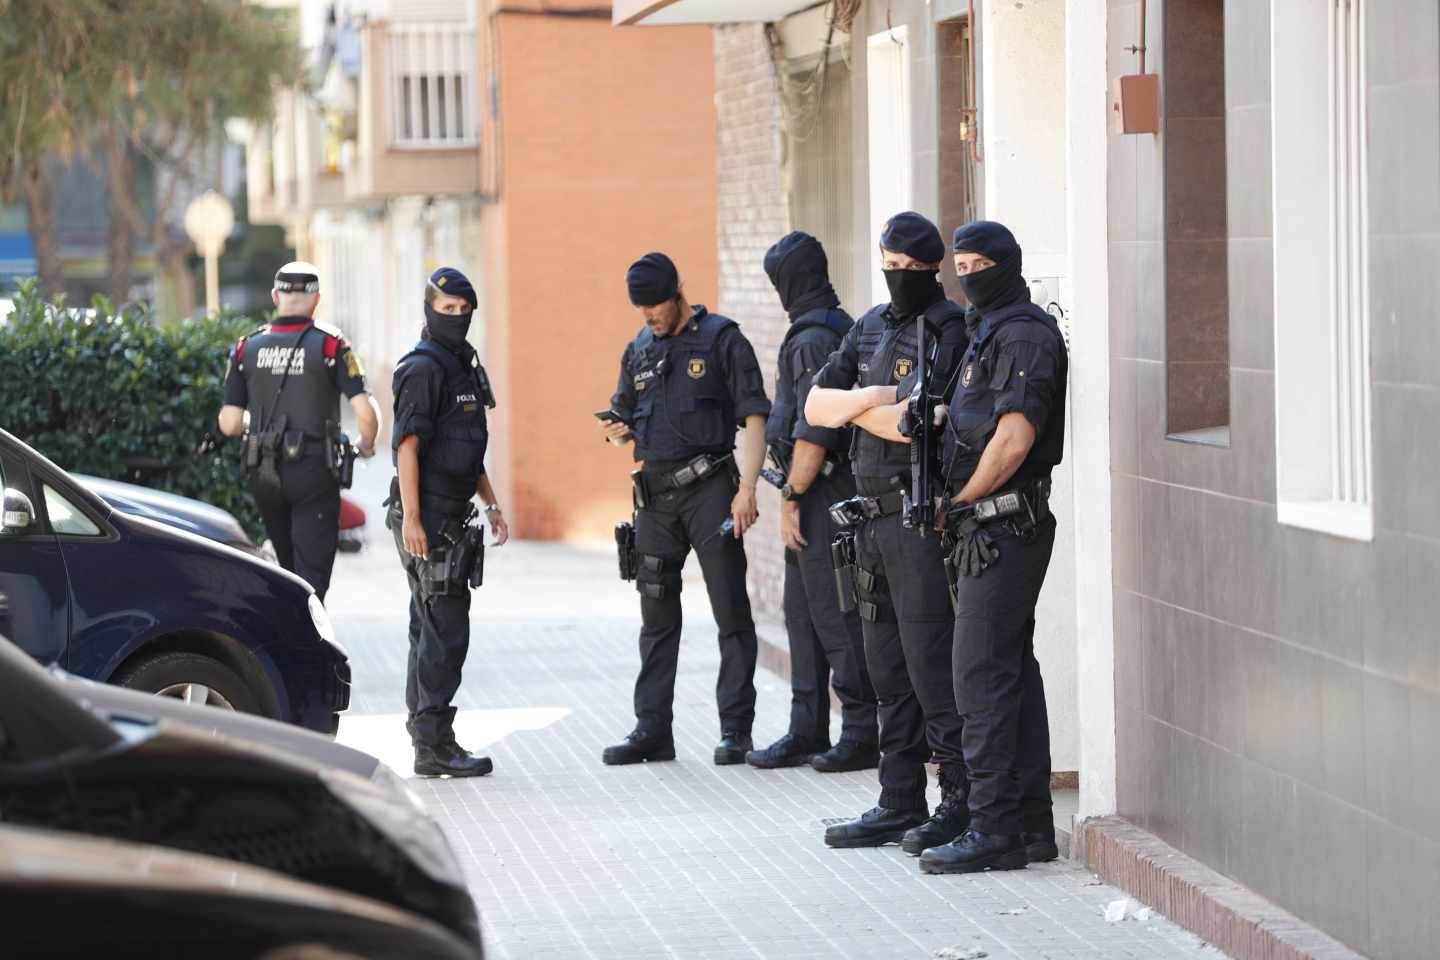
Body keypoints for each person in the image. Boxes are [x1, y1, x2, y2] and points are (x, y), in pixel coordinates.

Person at [803, 212, 972, 858]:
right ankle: (899, 798)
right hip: (867, 518)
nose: (896, 277)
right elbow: (819, 407)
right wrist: (871, 399)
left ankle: (957, 799)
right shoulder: (869, 325)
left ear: (931, 267)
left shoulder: (949, 330)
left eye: (907, 268)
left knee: (931, 663)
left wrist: (862, 409)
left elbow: (917, 423)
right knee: (884, 667)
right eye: (888, 265)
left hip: (917, 517)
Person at [914, 221, 1066, 874]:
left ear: (1006, 266)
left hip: (1005, 524)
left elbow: (1014, 439)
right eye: (961, 263)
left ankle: (993, 828)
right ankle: (1031, 826)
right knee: (1009, 673)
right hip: (986, 527)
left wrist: (963, 500)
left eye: (980, 264)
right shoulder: (985, 333)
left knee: (977, 678)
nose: (967, 275)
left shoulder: (1025, 333)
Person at [599, 252, 771, 767]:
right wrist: (616, 431)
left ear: (677, 292)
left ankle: (735, 731)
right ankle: (652, 730)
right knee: (656, 616)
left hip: (712, 489)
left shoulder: (722, 340)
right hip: (655, 498)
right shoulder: (639, 348)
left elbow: (755, 416)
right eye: (641, 308)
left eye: (655, 304)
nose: (649, 315)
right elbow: (625, 415)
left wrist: (748, 489)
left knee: (730, 612)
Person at [746, 231, 878, 773]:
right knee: (802, 615)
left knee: (834, 614)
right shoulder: (829, 328)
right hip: (815, 491)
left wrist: (792, 497)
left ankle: (860, 731)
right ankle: (806, 728)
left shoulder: (813, 339)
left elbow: (815, 431)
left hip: (824, 493)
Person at [389, 266, 510, 778]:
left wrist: (491, 503)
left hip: (451, 512)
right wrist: (414, 520)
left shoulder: (461, 364)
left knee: (430, 625)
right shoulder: (422, 368)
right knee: (444, 631)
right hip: (428, 516)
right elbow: (408, 448)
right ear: (429, 309)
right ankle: (434, 744)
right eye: (447, 310)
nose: (457, 318)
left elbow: (463, 447)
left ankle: (426, 734)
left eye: (464, 312)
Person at [219, 261, 379, 602]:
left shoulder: (247, 347)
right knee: (312, 578)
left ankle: (287, 641)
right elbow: (365, 410)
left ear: (276, 296)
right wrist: (366, 443)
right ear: (317, 299)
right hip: (313, 470)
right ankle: (309, 647)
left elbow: (230, 423)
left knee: (287, 573)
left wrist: (259, 428)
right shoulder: (332, 345)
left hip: (263, 471)